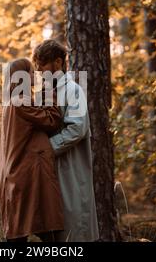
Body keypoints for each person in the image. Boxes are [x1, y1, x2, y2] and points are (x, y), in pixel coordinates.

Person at [33, 40, 100, 242]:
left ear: (58, 62)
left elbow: (77, 128)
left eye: (42, 65)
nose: (38, 71)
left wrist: (47, 149)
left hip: (70, 168)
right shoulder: (40, 93)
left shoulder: (74, 90)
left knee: (73, 227)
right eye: (36, 67)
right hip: (46, 170)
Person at [0, 58, 64, 242]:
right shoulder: (21, 102)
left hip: (19, 176)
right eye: (30, 72)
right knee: (34, 233)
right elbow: (51, 120)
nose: (34, 75)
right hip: (26, 178)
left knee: (23, 230)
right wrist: (50, 91)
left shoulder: (12, 102)